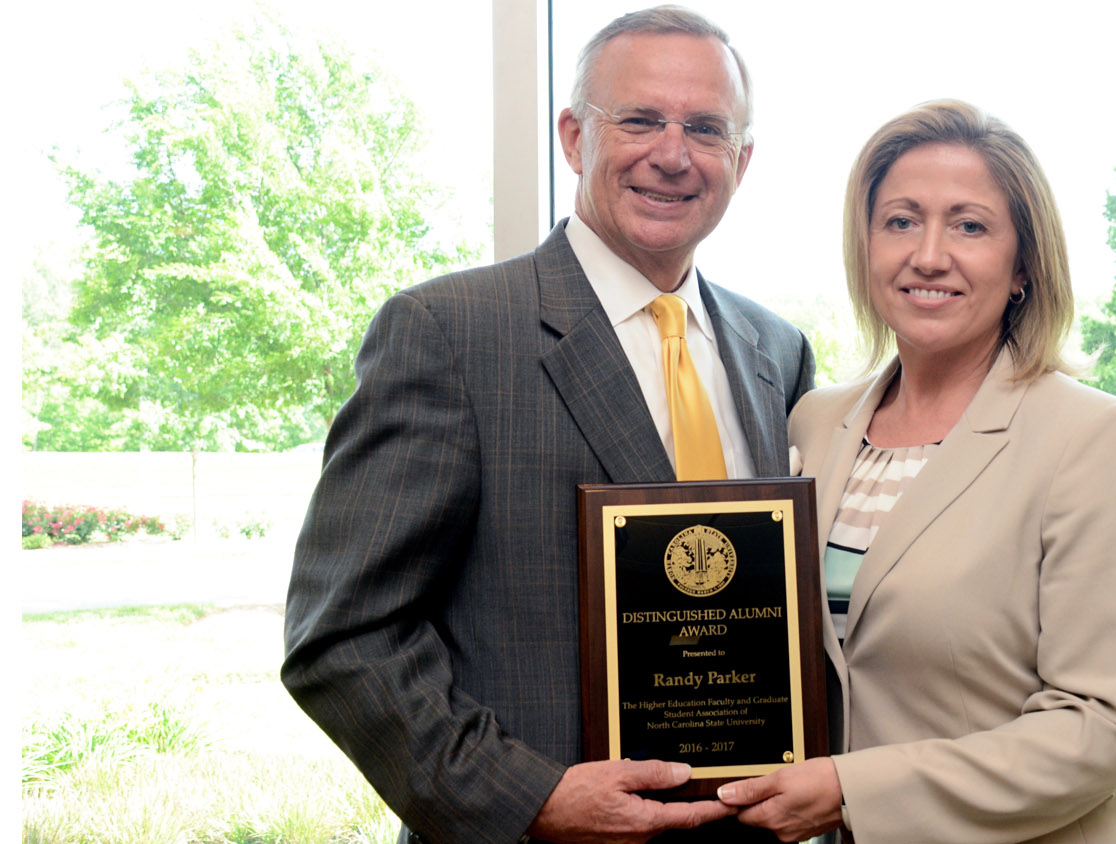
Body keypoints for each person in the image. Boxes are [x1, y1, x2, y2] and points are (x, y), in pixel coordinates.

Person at [281, 7, 815, 843]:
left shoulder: (775, 350)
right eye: (637, 119)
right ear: (573, 137)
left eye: (706, 129)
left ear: (741, 161)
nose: (671, 155)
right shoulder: (449, 332)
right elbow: (343, 636)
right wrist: (528, 799)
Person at [718, 100, 1116, 843]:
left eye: (969, 225)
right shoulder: (814, 423)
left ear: (1023, 264)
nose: (928, 255)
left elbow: (1108, 724)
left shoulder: (1095, 437)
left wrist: (849, 790)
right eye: (901, 221)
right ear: (866, 247)